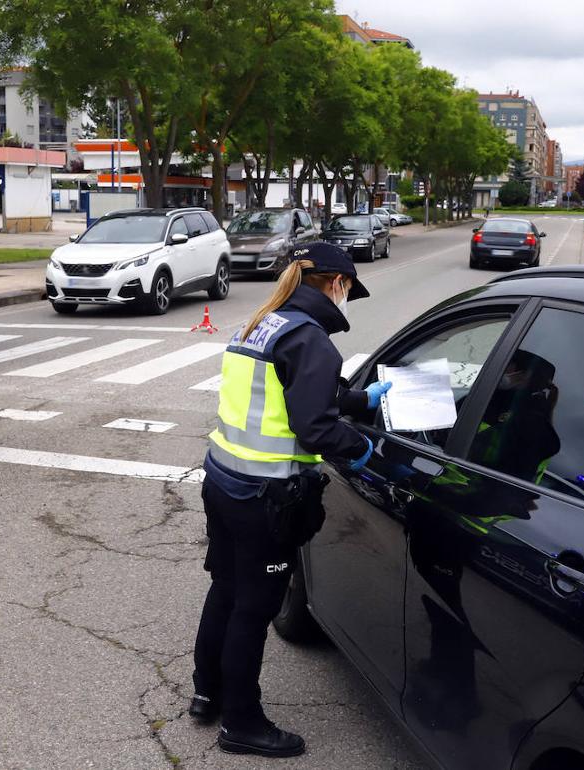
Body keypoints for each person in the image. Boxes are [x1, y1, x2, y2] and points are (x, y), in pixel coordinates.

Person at [190, 241, 391, 758]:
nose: (349, 298)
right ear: (335, 283)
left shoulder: (260, 322)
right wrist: (363, 448)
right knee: (253, 611)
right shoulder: (311, 340)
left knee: (226, 589)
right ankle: (242, 723)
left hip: (224, 480)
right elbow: (314, 426)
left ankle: (205, 691)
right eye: (349, 289)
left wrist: (356, 398)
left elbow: (286, 393)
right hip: (266, 496)